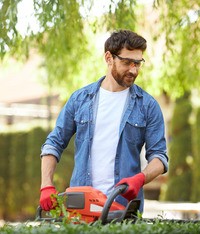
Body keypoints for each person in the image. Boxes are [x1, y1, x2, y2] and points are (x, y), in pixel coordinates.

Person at [39, 29, 168, 213]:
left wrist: (140, 178)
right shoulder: (80, 100)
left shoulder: (147, 106)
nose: (133, 69)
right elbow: (54, 143)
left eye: (138, 63)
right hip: (81, 207)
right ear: (109, 58)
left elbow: (160, 157)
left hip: (123, 209)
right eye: (127, 62)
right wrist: (46, 186)